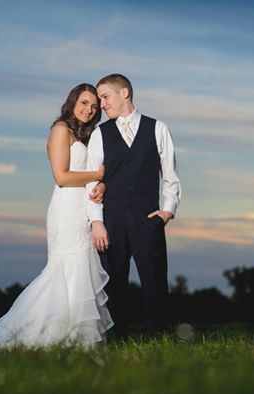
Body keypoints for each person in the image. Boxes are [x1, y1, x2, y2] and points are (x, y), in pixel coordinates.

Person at [0, 83, 113, 349]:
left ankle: (75, 338)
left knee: (80, 270)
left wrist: (100, 186)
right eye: (84, 103)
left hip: (82, 208)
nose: (89, 110)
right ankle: (40, 333)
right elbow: (62, 176)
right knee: (66, 268)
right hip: (66, 208)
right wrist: (99, 175)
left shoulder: (83, 135)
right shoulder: (60, 130)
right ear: (72, 102)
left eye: (93, 106)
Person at [85, 73, 181, 337]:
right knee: (113, 283)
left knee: (155, 279)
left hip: (147, 216)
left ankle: (161, 337)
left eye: (105, 97)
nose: (101, 104)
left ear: (124, 92)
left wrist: (167, 211)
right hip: (111, 219)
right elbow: (91, 183)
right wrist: (96, 222)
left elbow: (170, 175)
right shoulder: (99, 134)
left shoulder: (158, 128)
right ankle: (117, 341)